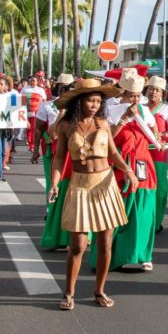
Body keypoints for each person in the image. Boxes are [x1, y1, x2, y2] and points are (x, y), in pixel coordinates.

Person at [50, 78, 134, 309]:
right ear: (80, 101)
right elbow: (59, 158)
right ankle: (69, 292)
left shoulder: (104, 124)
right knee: (77, 245)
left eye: (98, 101)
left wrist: (127, 170)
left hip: (105, 184)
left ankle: (100, 290)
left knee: (105, 243)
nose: (95, 105)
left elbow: (114, 153)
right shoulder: (66, 125)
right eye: (90, 100)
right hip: (79, 185)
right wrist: (54, 183)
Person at [107, 70, 159, 271]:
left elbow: (155, 135)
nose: (135, 100)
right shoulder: (111, 110)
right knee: (119, 211)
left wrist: (159, 140)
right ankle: (112, 255)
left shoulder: (145, 111)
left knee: (144, 212)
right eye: (131, 96)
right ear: (123, 94)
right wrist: (124, 118)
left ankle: (143, 254)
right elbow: (108, 138)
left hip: (144, 165)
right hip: (121, 164)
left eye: (138, 96)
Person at [35, 74, 75, 251]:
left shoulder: (81, 107)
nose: (65, 89)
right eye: (63, 86)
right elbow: (43, 130)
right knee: (56, 185)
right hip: (56, 150)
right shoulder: (49, 106)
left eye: (69, 86)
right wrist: (61, 115)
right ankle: (53, 219)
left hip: (77, 154)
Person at [144, 76, 168, 232]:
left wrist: (162, 135)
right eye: (151, 89)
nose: (153, 92)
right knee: (142, 188)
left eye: (157, 90)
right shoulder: (139, 107)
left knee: (160, 189)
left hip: (158, 153)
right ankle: (142, 220)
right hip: (140, 152)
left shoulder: (167, 110)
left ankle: (156, 222)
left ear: (162, 93)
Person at [21, 74, 48, 152]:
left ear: (37, 82)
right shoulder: (25, 89)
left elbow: (44, 101)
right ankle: (30, 144)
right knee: (28, 128)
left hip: (37, 113)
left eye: (34, 81)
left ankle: (33, 145)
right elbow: (20, 100)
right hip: (26, 112)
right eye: (31, 81)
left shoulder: (40, 90)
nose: (32, 82)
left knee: (34, 129)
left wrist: (44, 112)